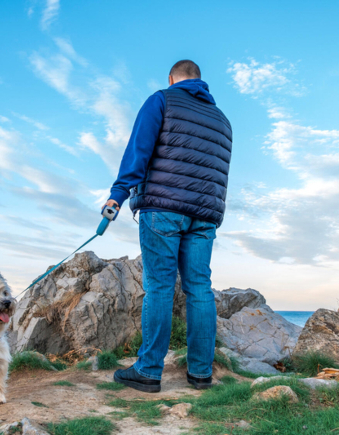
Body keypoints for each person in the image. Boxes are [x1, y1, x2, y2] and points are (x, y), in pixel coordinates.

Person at [104, 60, 232, 392]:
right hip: (205, 215)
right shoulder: (223, 121)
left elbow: (139, 151)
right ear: (200, 82)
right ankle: (201, 373)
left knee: (160, 286)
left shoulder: (162, 99)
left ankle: (148, 371)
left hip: (163, 208)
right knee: (199, 288)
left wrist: (118, 195)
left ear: (172, 79)